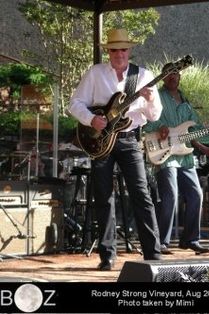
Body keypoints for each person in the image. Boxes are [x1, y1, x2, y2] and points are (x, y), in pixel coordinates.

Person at [68, 28, 163, 270]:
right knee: (103, 196)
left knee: (141, 195)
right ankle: (107, 256)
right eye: (114, 49)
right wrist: (92, 120)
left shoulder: (143, 76)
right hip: (101, 141)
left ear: (129, 51)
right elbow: (75, 103)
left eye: (123, 49)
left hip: (130, 140)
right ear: (108, 52)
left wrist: (151, 99)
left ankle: (153, 254)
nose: (119, 53)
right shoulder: (95, 73)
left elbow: (153, 116)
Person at [144, 62, 209, 255]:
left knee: (196, 195)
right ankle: (161, 242)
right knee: (169, 196)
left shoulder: (186, 104)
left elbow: (198, 131)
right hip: (164, 153)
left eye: (175, 73)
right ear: (162, 77)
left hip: (185, 157)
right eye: (168, 73)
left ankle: (190, 240)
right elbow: (146, 122)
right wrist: (159, 127)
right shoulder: (157, 97)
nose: (172, 76)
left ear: (180, 77)